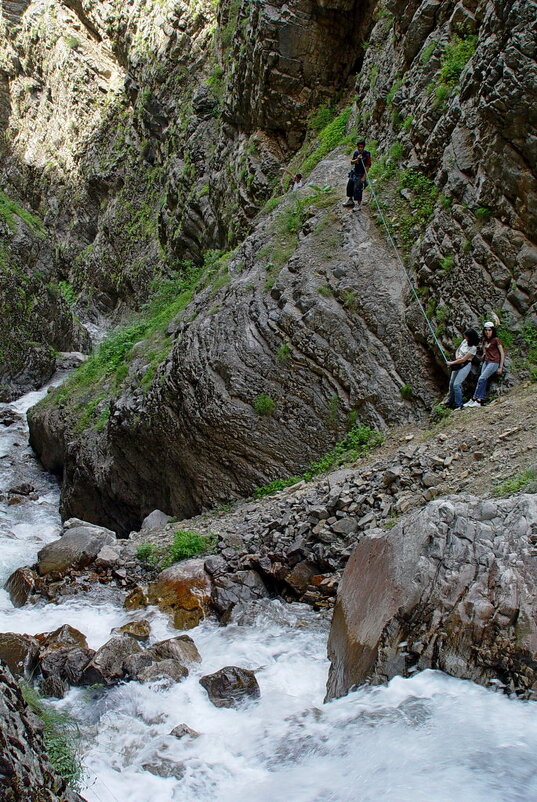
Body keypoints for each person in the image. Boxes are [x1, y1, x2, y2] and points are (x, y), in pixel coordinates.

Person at [464, 322, 505, 407]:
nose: (487, 332)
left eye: (489, 330)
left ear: (493, 331)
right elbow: (484, 347)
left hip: (494, 362)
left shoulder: (496, 340)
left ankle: (478, 400)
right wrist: (484, 353)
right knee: (482, 380)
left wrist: (500, 367)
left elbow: (502, 353)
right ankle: (475, 399)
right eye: (486, 330)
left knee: (482, 379)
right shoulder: (485, 340)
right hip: (486, 361)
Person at [446, 328, 480, 409]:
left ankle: (459, 404)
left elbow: (464, 359)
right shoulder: (465, 341)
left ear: (470, 337)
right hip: (458, 363)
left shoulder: (473, 348)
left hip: (465, 366)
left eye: (466, 336)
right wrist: (457, 357)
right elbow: (458, 350)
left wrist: (451, 363)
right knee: (451, 384)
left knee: (456, 385)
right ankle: (450, 401)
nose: (464, 337)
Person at [342, 139, 371, 210]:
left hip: (361, 173)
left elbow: (367, 166)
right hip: (355, 172)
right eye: (359, 147)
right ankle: (350, 200)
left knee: (358, 188)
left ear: (364, 147)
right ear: (357, 147)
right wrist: (357, 159)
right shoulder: (356, 153)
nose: (360, 148)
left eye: (362, 147)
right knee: (350, 185)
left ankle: (358, 204)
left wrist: (364, 177)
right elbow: (352, 162)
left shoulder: (367, 154)